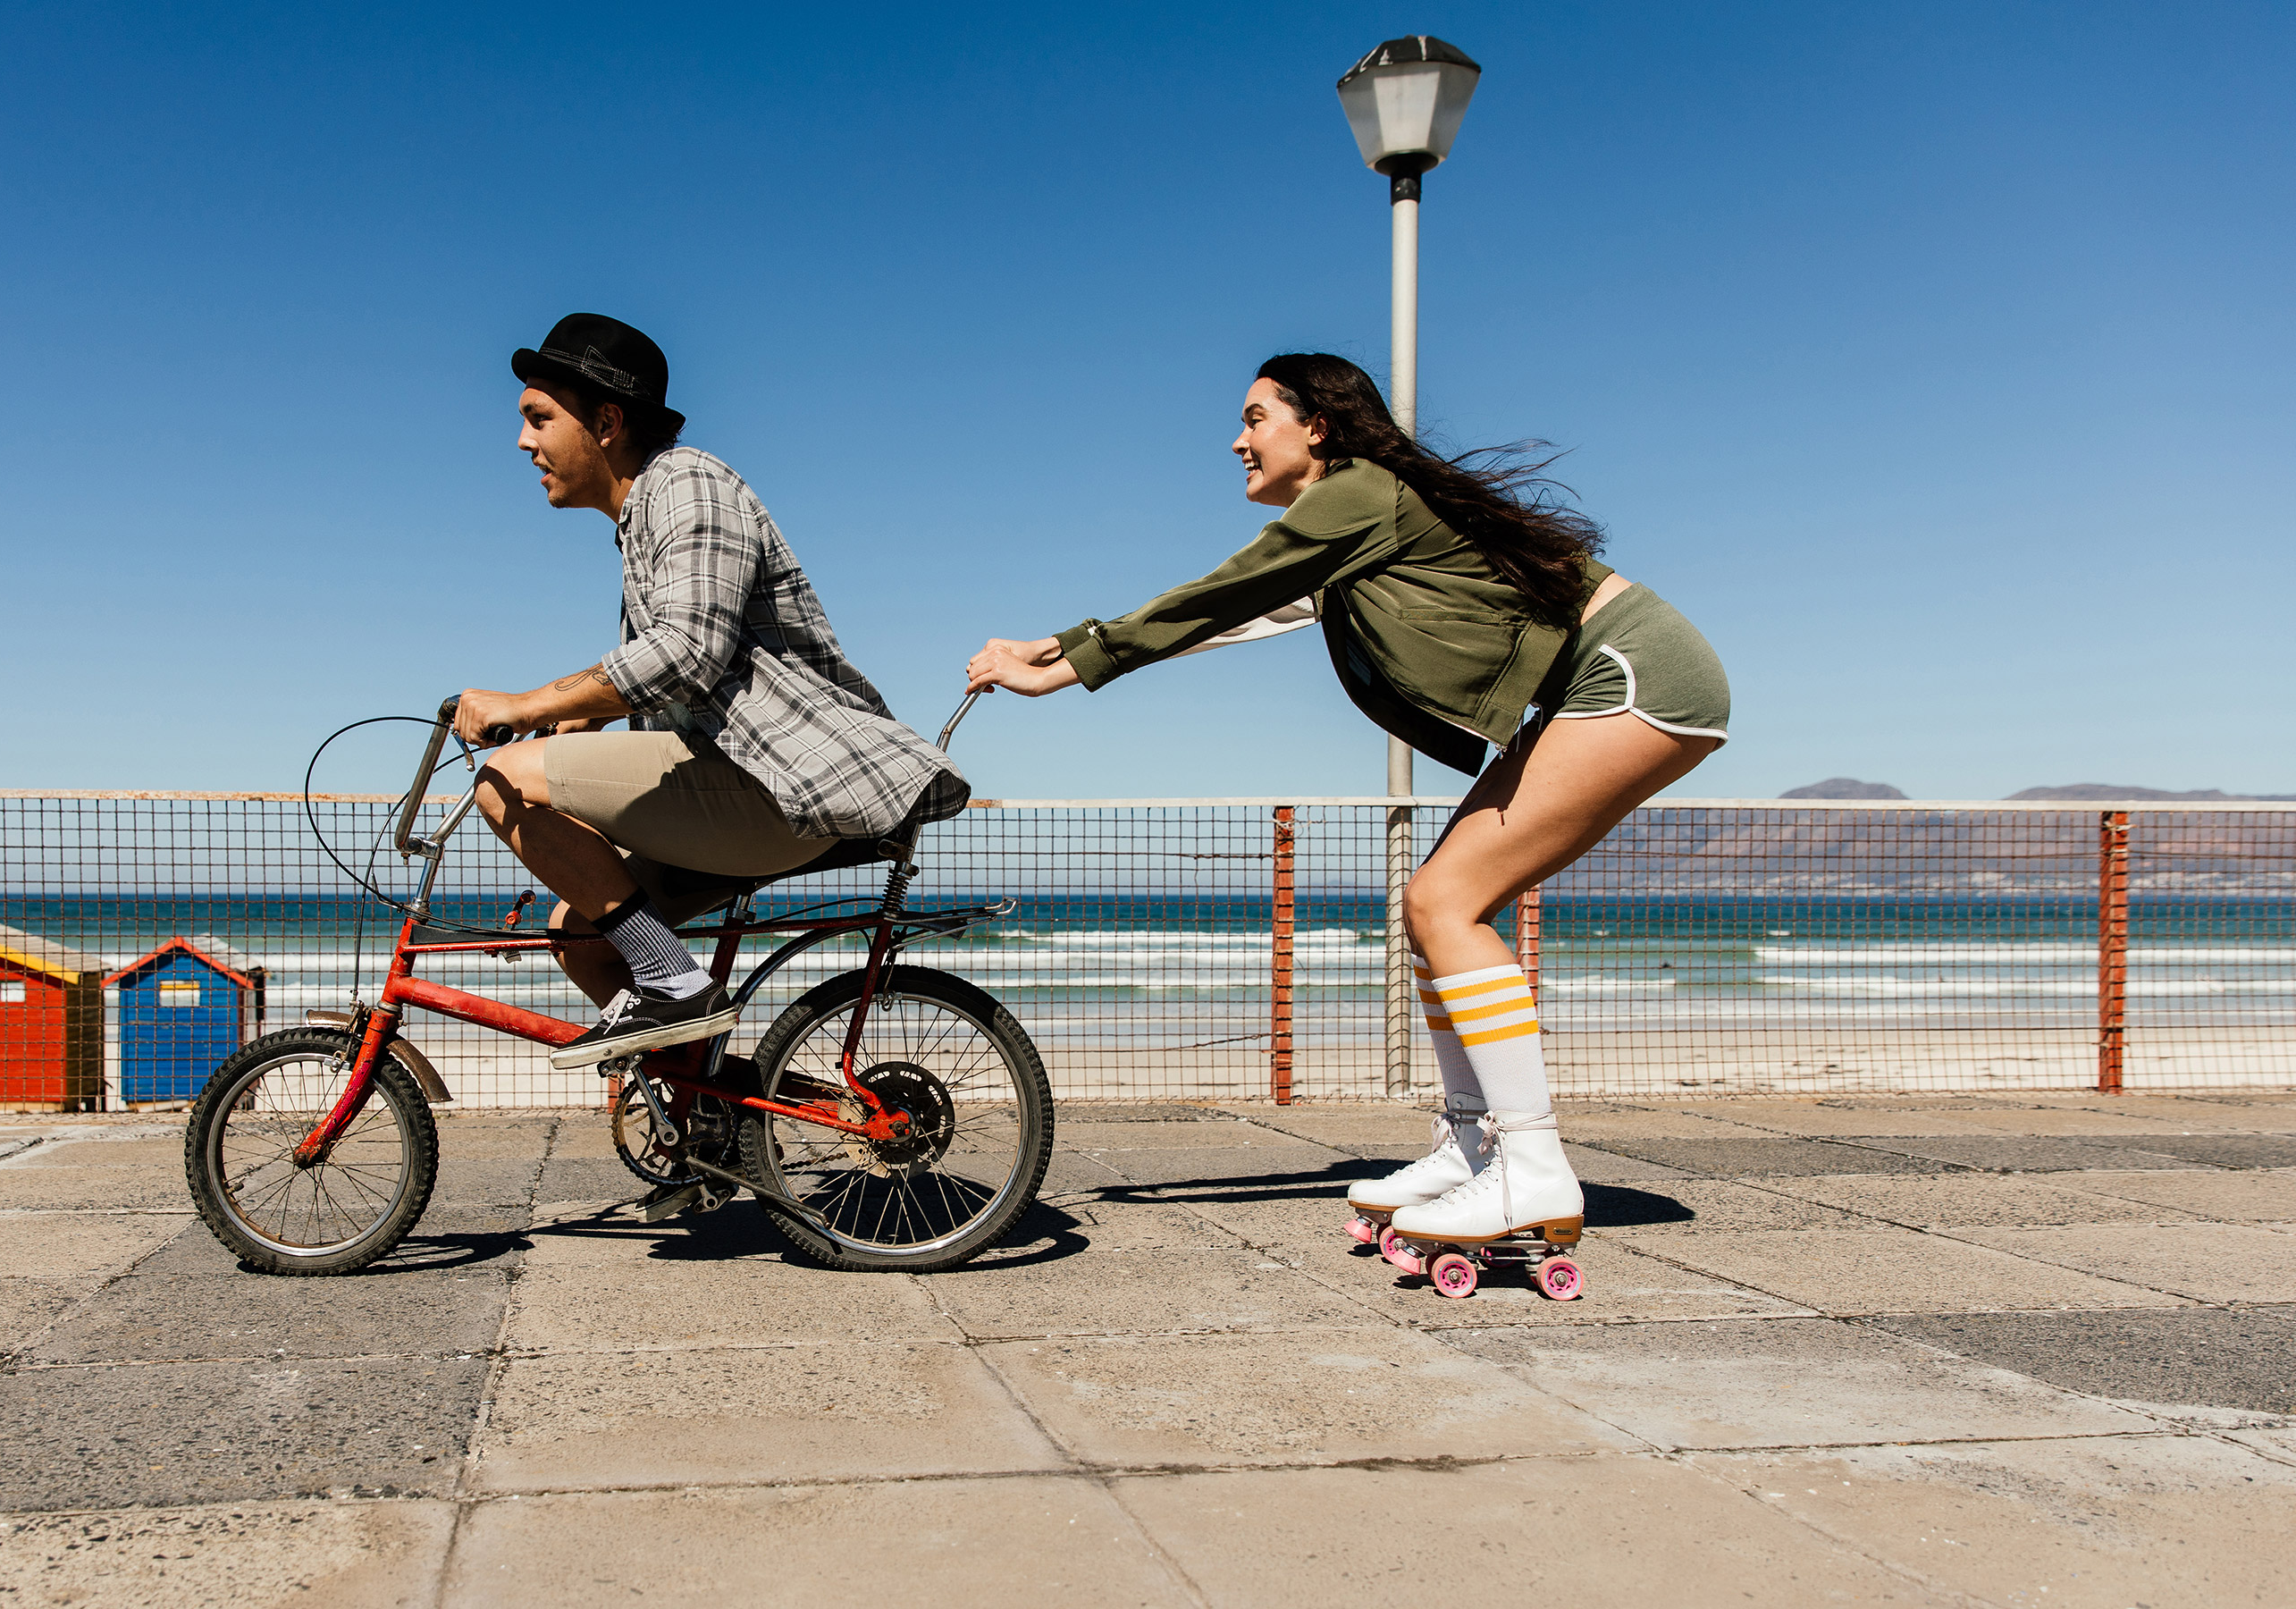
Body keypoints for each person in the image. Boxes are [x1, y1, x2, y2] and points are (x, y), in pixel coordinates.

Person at [963, 352, 1727, 1255]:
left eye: (1254, 418)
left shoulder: (1356, 492)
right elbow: (1235, 616)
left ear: (1314, 425)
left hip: (1631, 674)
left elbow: (1221, 590)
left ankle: (1529, 1166)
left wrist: (1061, 668)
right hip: (1611, 680)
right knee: (1432, 906)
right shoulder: (1358, 515)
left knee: (1445, 901)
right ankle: (1468, 1147)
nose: (1236, 439)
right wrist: (1056, 650)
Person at [456, 313, 968, 1074]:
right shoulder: (637, 522)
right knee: (581, 936)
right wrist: (567, 731)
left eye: (538, 418)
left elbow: (688, 652)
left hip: (777, 785)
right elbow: (642, 673)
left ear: (605, 421)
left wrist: (525, 705)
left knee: (502, 783)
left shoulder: (688, 485)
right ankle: (710, 1125)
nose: (524, 442)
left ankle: (677, 984)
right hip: (726, 783)